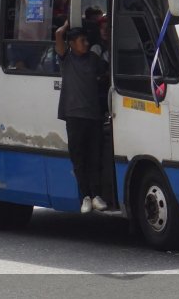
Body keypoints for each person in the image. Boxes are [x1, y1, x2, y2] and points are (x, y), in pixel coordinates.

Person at [55, 20, 108, 214]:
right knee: (79, 159)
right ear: (72, 43)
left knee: (95, 158)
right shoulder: (66, 58)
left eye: (86, 40)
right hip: (74, 116)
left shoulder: (93, 59)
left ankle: (96, 196)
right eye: (81, 40)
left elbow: (106, 74)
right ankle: (85, 196)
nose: (85, 43)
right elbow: (59, 35)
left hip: (93, 115)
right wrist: (68, 22)